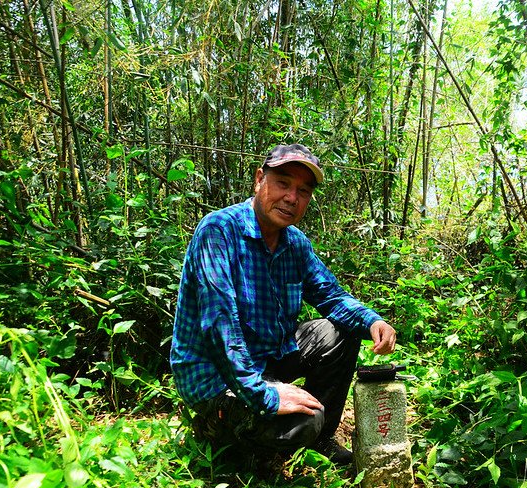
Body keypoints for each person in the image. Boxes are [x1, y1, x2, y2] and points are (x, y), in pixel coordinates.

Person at [169, 143, 397, 465]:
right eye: (283, 183)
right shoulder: (219, 231)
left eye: (303, 191)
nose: (292, 197)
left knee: (340, 332)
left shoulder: (296, 245)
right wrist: (266, 395)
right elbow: (219, 327)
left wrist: (372, 322)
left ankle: (318, 441)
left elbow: (331, 295)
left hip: (268, 358)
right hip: (217, 376)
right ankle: (219, 428)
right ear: (259, 179)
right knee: (305, 420)